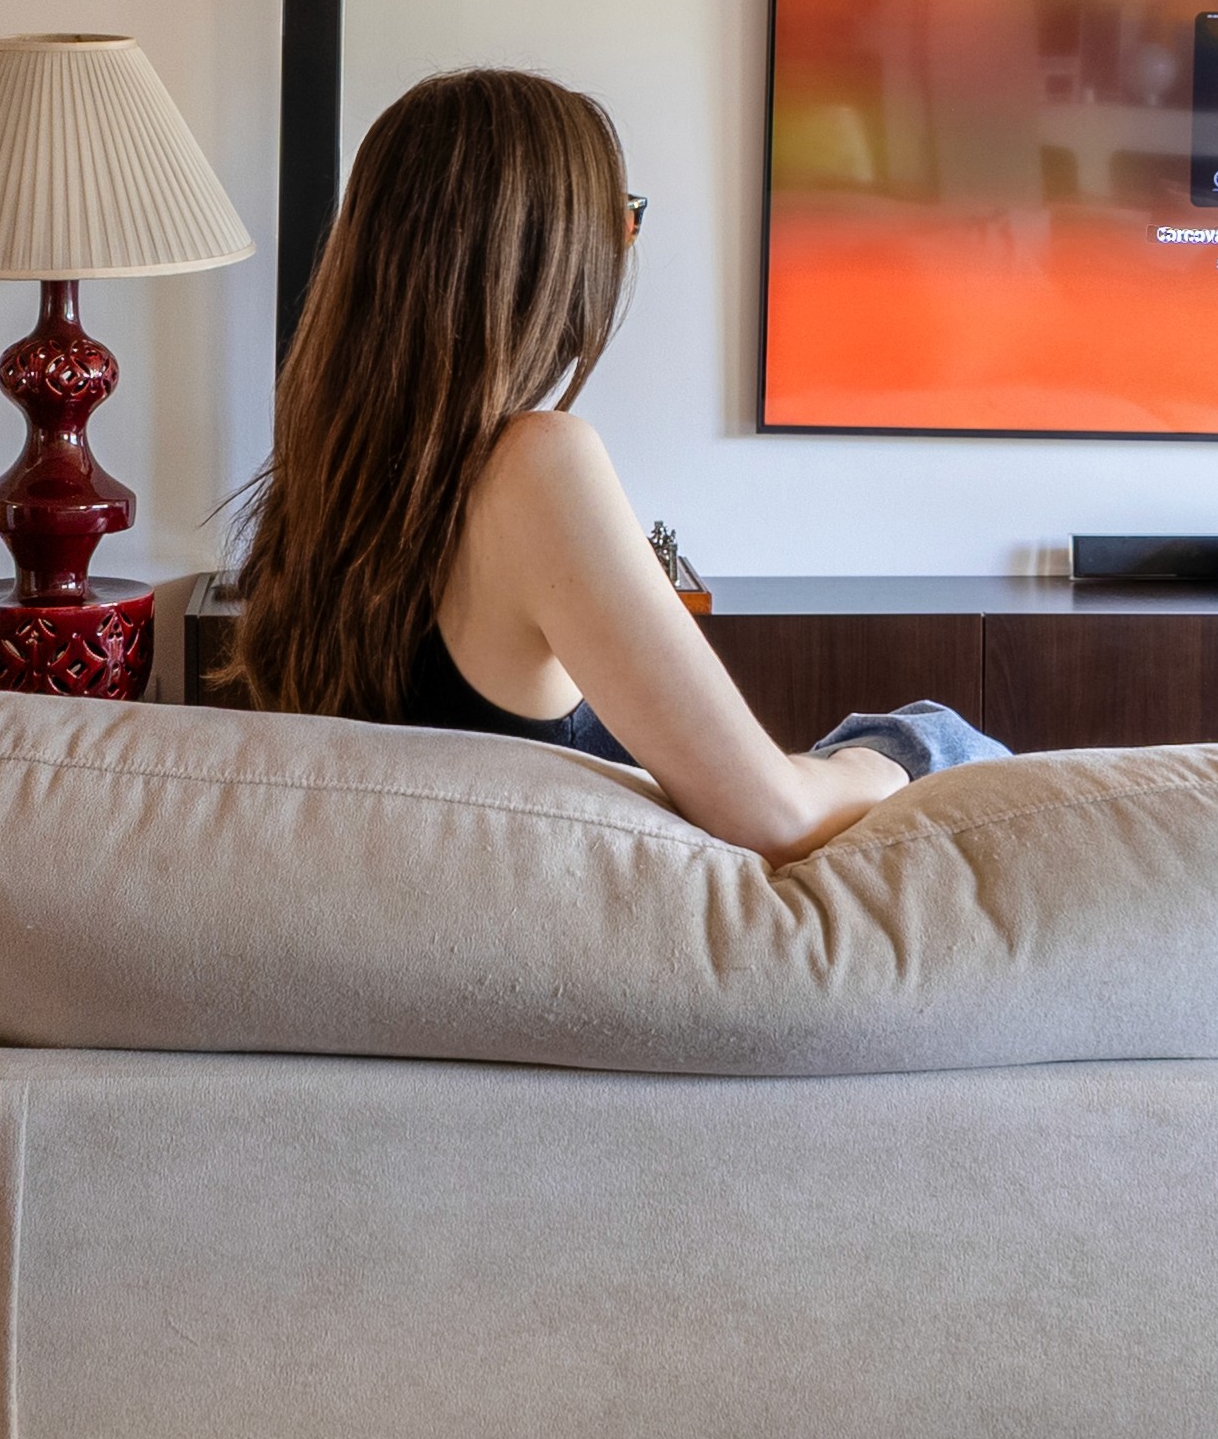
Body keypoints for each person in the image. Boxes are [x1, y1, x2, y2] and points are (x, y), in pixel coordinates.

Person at [220, 67, 993, 855]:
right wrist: (902, 751)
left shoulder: (324, 493)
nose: (625, 243)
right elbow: (776, 816)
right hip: (569, 927)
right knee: (943, 738)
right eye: (622, 219)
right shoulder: (534, 464)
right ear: (548, 251)